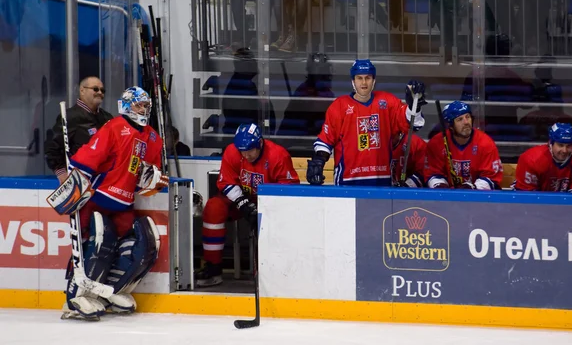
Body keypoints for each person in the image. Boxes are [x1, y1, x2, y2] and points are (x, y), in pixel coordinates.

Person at [62, 86, 169, 320]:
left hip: (125, 203)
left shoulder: (152, 137)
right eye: (139, 105)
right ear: (127, 106)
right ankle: (75, 296)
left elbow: (149, 176)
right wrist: (75, 184)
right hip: (99, 198)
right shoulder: (113, 127)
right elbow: (87, 160)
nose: (144, 109)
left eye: (146, 105)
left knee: (132, 245)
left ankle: (105, 293)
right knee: (94, 244)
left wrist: (153, 180)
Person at [197, 123, 300, 287]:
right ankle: (213, 267)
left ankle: (271, 269)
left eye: (250, 149)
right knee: (213, 208)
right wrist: (244, 205)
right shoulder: (232, 151)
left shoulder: (278, 155)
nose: (246, 155)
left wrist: (264, 209)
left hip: (269, 203)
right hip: (241, 199)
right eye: (242, 150)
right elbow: (226, 183)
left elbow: (288, 190)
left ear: (260, 143)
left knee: (274, 224)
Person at [307, 59, 427, 187]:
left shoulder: (388, 102)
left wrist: (414, 105)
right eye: (359, 78)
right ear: (353, 81)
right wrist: (319, 160)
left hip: (382, 179)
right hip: (348, 180)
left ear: (374, 80)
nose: (364, 83)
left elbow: (411, 123)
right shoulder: (339, 106)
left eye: (368, 78)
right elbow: (326, 139)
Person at [44, 76, 112, 183]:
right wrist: (62, 173)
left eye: (102, 90)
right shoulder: (69, 117)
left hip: (104, 181)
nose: (100, 92)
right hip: (81, 181)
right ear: (82, 90)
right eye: (95, 89)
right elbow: (52, 147)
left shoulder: (107, 118)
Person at [425, 101, 503, 190]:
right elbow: (432, 173)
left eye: (468, 117)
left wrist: (472, 188)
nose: (466, 122)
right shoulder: (437, 143)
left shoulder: (485, 143)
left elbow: (491, 177)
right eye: (460, 119)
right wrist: (440, 186)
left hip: (478, 199)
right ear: (450, 126)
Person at [513, 123, 572, 193]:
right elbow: (525, 197)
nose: (564, 150)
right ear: (550, 144)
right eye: (560, 145)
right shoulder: (531, 159)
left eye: (569, 146)